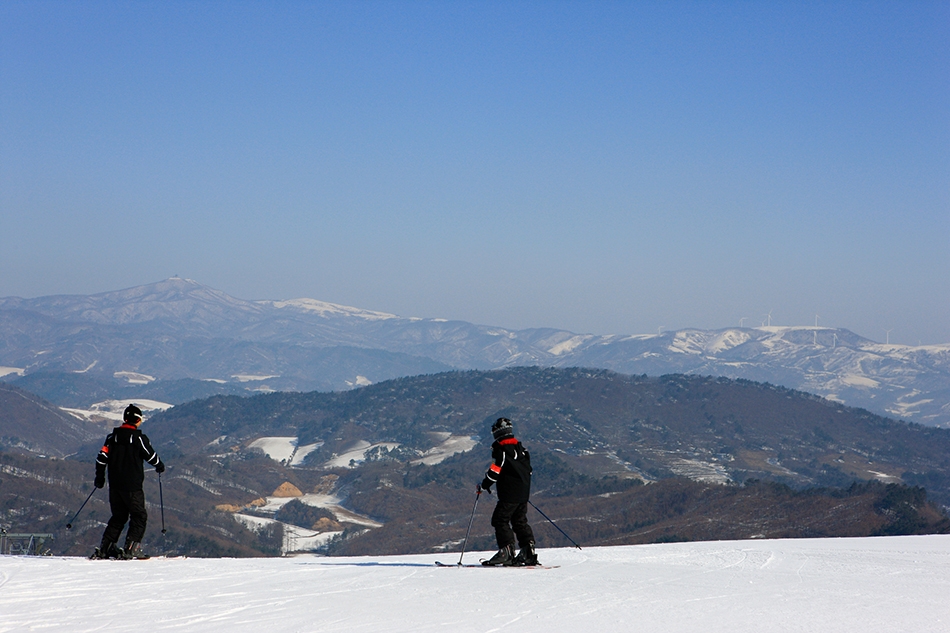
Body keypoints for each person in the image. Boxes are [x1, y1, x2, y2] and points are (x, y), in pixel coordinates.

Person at [90, 404, 165, 560]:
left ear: (125, 419)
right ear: (137, 420)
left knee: (118, 516)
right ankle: (131, 548)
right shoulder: (139, 439)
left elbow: (101, 459)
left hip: (115, 485)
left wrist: (100, 478)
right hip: (132, 486)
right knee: (139, 516)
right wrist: (160, 466)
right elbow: (152, 457)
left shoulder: (112, 438)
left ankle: (105, 548)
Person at [479, 417, 539, 566]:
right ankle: (528, 552)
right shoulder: (523, 451)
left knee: (499, 520)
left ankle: (506, 552)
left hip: (509, 494)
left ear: (497, 434)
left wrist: (484, 485)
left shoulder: (502, 451)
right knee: (519, 521)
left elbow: (494, 472)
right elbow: (528, 471)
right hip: (523, 494)